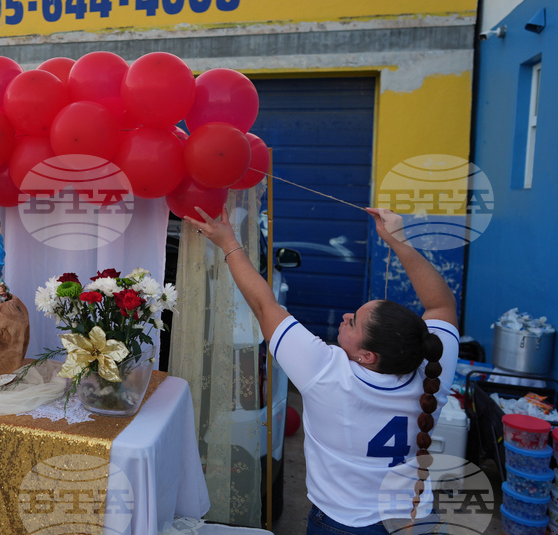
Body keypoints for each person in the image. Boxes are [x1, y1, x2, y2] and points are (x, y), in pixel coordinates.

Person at [186, 206, 459, 535]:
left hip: (343, 526)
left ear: (367, 356)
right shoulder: (433, 371)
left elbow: (263, 305)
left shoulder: (326, 372)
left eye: (353, 322)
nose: (345, 316)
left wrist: (228, 242)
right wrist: (398, 240)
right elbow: (441, 304)